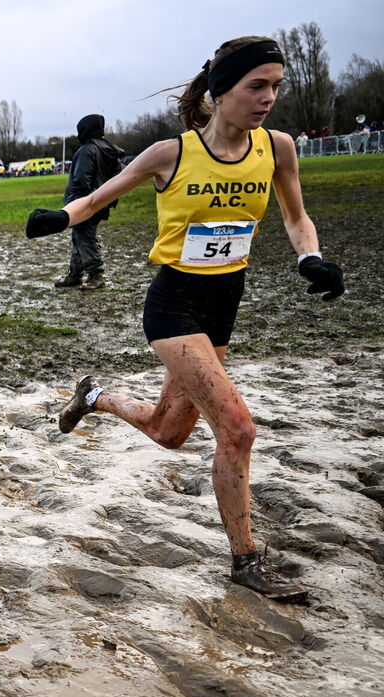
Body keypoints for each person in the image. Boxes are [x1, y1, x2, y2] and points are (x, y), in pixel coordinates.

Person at [25, 36, 345, 602]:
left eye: (276, 86)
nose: (269, 97)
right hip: (174, 304)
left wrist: (310, 258)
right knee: (238, 430)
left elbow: (298, 217)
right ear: (221, 91)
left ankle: (94, 396)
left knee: (168, 431)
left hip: (225, 302)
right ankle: (246, 560)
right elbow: (99, 197)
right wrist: (59, 216)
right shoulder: (170, 153)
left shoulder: (278, 148)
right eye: (257, 86)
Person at [55, 114, 126, 290]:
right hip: (101, 200)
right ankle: (75, 273)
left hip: (85, 202)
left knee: (85, 238)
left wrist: (75, 205)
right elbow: (118, 176)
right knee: (79, 237)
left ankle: (96, 276)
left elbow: (81, 180)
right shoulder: (109, 150)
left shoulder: (87, 150)